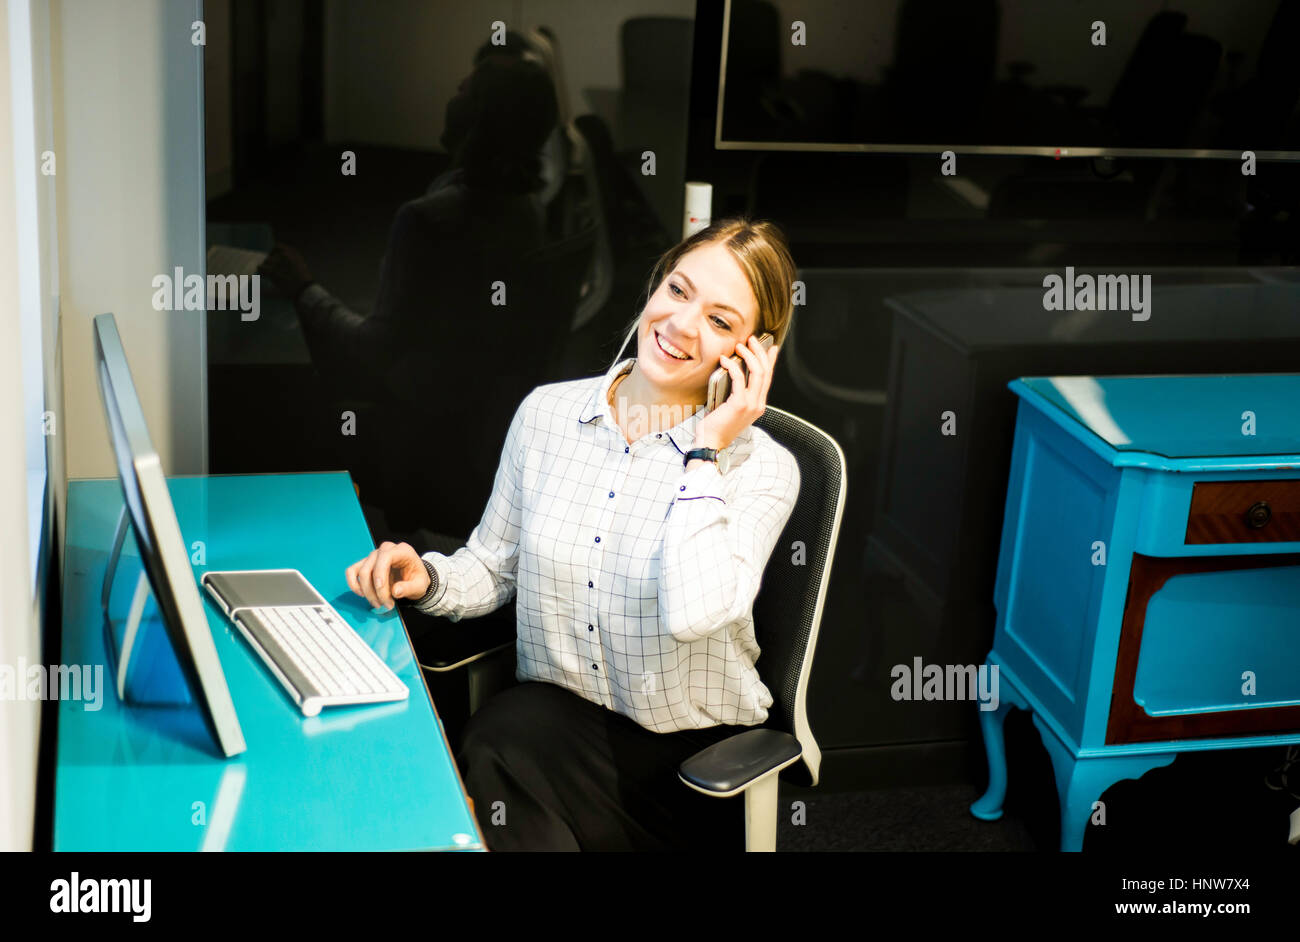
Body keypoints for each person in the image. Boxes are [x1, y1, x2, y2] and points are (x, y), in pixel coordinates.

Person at [345, 218, 801, 851]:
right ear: (653, 286)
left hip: (693, 769)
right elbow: (494, 566)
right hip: (549, 736)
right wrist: (429, 576)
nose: (682, 324)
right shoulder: (547, 415)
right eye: (677, 290)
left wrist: (705, 452)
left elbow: (694, 612)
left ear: (754, 354)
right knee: (510, 731)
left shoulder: (761, 467)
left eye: (721, 321)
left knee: (505, 744)